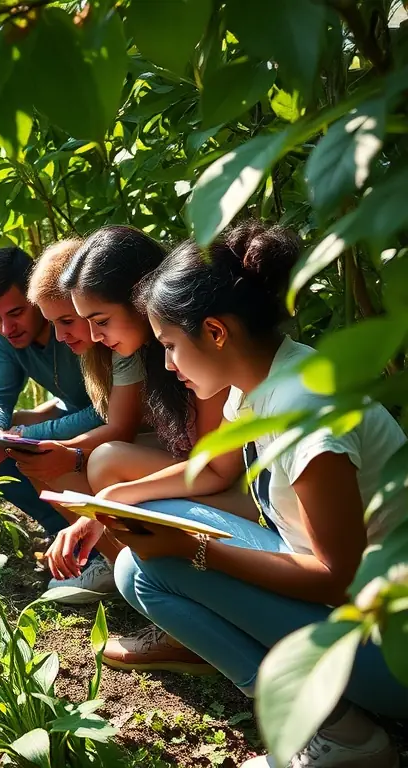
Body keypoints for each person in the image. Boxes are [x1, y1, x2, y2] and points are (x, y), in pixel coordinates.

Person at [105, 222, 407, 767]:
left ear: (216, 332)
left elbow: (335, 576)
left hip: (391, 648)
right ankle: (330, 721)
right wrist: (118, 498)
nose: (168, 365)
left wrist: (193, 550)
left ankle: (343, 734)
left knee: (156, 569)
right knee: (137, 563)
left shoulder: (304, 412)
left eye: (171, 345)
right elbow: (213, 475)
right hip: (352, 604)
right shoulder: (263, 378)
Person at [43, 226, 257, 611]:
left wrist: (111, 500)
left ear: (138, 298)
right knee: (104, 460)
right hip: (222, 479)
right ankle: (147, 587)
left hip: (247, 497)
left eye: (102, 320)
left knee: (108, 459)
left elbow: (215, 469)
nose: (92, 335)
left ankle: (176, 598)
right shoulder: (159, 352)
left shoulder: (200, 352)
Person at [0, 245, 143, 538]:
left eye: (16, 313)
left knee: (48, 452)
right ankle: (63, 532)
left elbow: (114, 414)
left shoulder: (89, 323)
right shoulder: (6, 329)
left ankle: (95, 542)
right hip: (75, 412)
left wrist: (28, 436)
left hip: (111, 417)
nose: (6, 328)